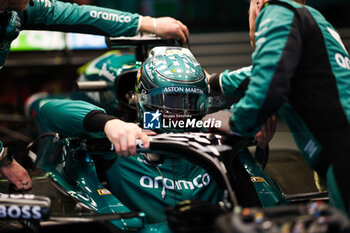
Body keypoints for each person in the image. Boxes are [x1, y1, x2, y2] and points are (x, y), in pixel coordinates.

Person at [37, 46, 277, 223]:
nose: (180, 112)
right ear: (142, 100)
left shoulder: (216, 137)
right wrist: (109, 124)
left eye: (190, 101)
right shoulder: (122, 141)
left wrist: (256, 117)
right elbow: (47, 109)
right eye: (169, 101)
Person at [0, 0, 188, 190]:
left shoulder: (19, 9)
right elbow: (47, 110)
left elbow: (76, 14)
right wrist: (3, 159)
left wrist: (148, 24)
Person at [206, 0, 350, 215]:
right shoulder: (311, 17)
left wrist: (234, 121)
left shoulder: (277, 10)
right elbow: (265, 72)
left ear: (258, 3)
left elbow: (269, 84)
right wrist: (214, 81)